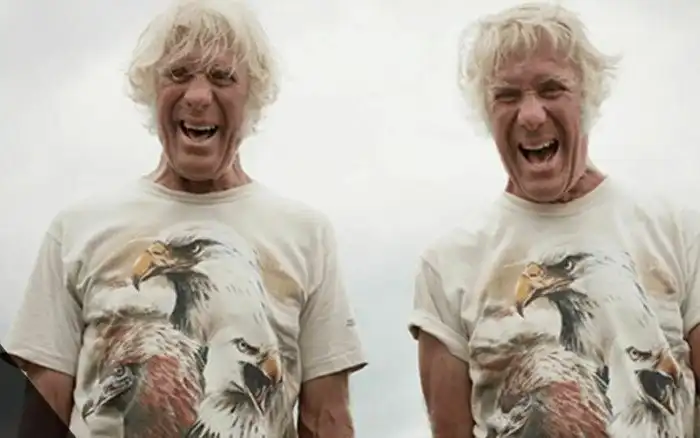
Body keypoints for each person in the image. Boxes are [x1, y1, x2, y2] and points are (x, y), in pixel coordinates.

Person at [3, 0, 367, 436]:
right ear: (152, 89)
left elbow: (326, 417)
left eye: (221, 76)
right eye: (178, 74)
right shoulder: (77, 229)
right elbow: (41, 415)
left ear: (251, 95)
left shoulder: (306, 234)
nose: (197, 96)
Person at [409, 3, 700, 437]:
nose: (530, 115)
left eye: (551, 89)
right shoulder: (448, 264)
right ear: (487, 112)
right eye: (507, 95)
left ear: (587, 99)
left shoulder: (677, 231)